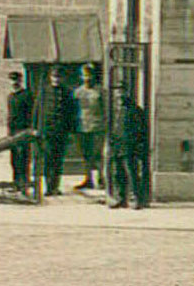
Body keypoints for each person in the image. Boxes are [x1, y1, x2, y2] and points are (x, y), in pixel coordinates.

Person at [38, 64, 76, 199]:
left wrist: (70, 131)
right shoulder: (44, 92)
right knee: (48, 159)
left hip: (61, 131)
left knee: (58, 160)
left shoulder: (67, 92)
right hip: (48, 131)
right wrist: (39, 129)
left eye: (59, 77)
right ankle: (48, 187)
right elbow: (38, 112)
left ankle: (55, 186)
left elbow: (71, 113)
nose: (56, 79)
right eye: (54, 76)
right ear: (50, 77)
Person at [110, 84, 150, 209]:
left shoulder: (134, 110)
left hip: (129, 146)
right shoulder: (116, 109)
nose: (119, 95)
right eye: (117, 92)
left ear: (127, 93)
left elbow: (141, 129)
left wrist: (139, 145)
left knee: (131, 173)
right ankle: (121, 198)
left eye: (122, 92)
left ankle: (137, 198)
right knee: (118, 173)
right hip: (117, 145)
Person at [72, 64, 106, 192]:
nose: (87, 78)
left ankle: (101, 178)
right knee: (86, 155)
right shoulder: (78, 92)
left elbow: (106, 109)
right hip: (82, 127)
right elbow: (74, 111)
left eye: (89, 76)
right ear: (81, 77)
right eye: (84, 76)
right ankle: (88, 179)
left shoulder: (100, 91)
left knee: (98, 155)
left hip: (97, 126)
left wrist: (105, 124)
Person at [5, 69, 36, 197]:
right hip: (12, 131)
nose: (14, 83)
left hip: (23, 131)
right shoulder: (10, 96)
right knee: (14, 160)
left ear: (20, 81)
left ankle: (24, 186)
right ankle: (16, 184)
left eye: (16, 80)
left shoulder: (27, 95)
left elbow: (31, 114)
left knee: (23, 159)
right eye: (12, 80)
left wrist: (30, 130)